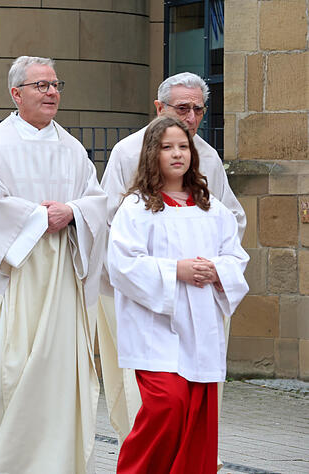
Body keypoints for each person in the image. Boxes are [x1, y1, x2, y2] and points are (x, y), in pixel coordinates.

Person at [0, 56, 106, 473]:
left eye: (56, 84)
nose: (52, 92)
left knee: (58, 375)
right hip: (13, 277)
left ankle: (52, 462)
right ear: (15, 93)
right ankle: (3, 460)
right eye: (41, 86)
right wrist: (41, 218)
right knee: (1, 374)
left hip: (60, 280)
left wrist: (72, 211)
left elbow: (97, 201)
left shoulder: (72, 148)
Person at [98, 72, 246, 465]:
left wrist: (215, 270)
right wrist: (174, 271)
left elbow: (235, 256)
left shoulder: (211, 207)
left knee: (197, 418)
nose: (179, 151)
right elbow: (122, 260)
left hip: (200, 322)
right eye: (168, 146)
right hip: (155, 324)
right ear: (153, 152)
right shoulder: (137, 205)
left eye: (184, 147)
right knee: (167, 406)